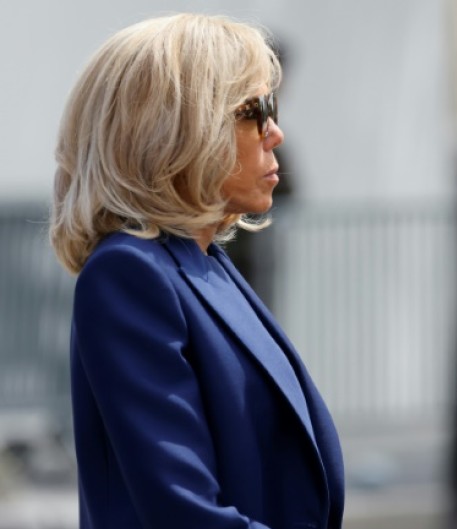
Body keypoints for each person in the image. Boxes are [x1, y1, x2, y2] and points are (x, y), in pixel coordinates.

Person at [49, 14, 344, 529]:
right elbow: (183, 510)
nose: (275, 133)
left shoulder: (204, 262)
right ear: (176, 128)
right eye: (256, 111)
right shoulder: (128, 274)